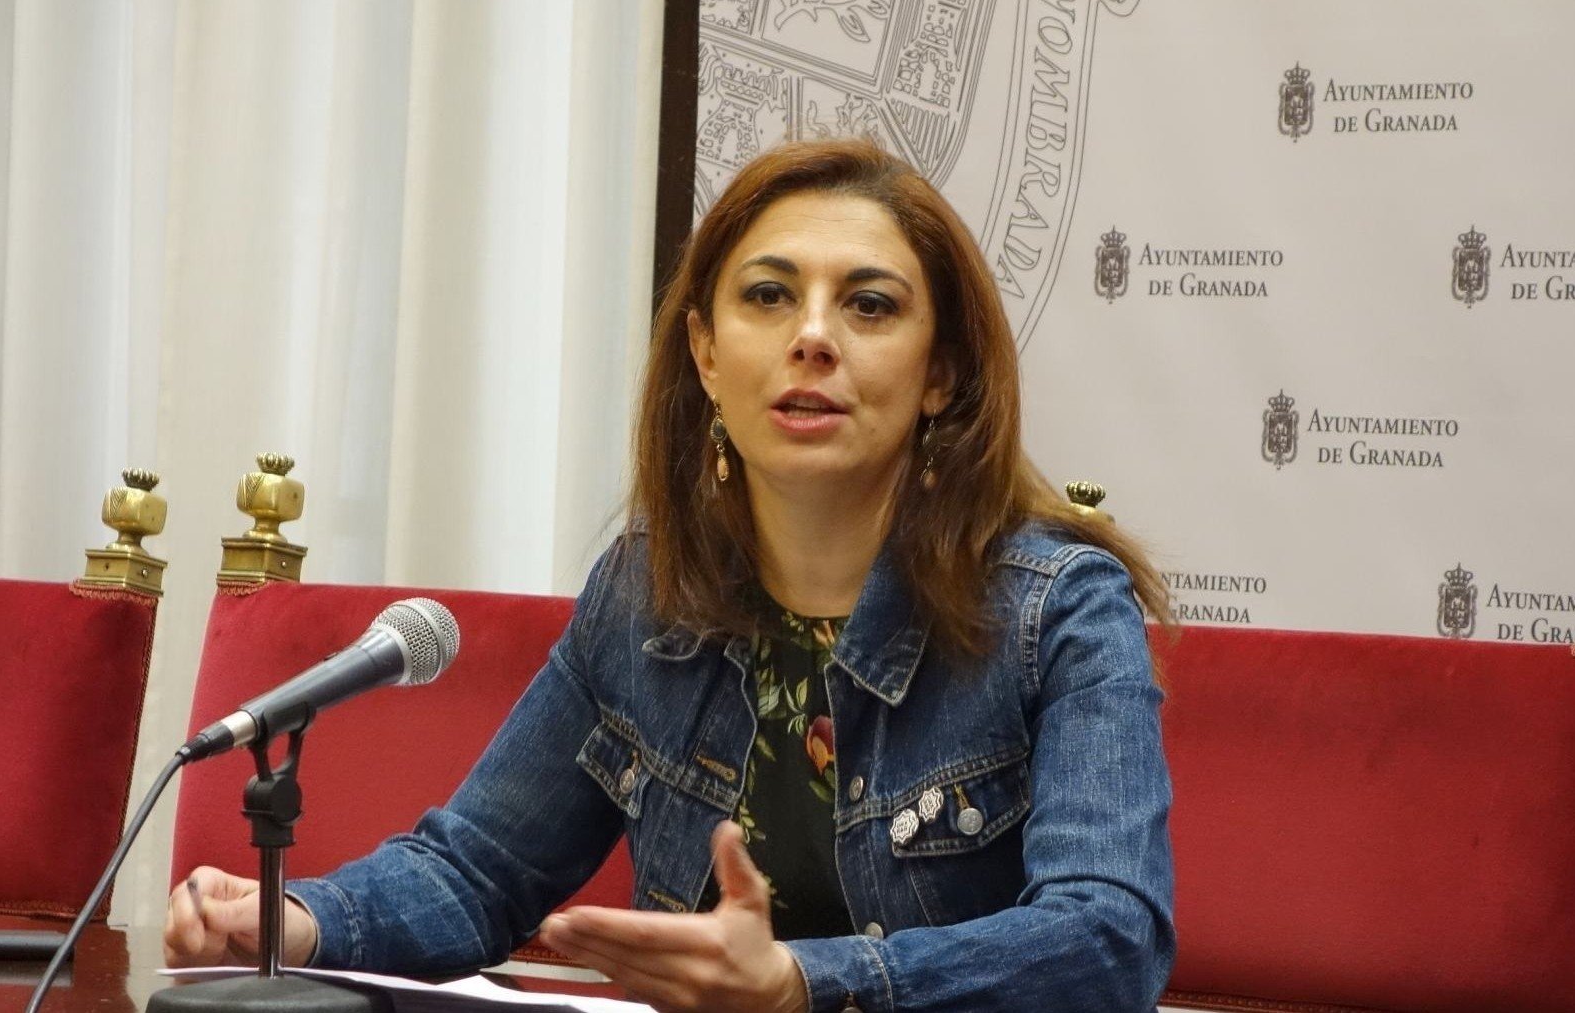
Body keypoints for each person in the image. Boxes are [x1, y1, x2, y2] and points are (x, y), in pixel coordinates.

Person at [165, 137, 1176, 1012]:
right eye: (768, 295)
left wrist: (803, 980)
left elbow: (1107, 938)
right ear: (703, 350)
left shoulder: (1059, 609)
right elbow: (478, 870)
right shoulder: (647, 595)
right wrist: (296, 922)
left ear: (941, 372)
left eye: (868, 304)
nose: (811, 335)